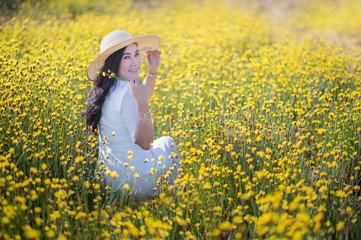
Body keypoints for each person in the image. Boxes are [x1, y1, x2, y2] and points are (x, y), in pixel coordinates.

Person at [83, 30, 180, 201]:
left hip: (109, 182)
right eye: (126, 57)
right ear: (113, 62)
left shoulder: (106, 87)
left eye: (136, 54)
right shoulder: (126, 93)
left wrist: (152, 70)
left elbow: (140, 98)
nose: (135, 62)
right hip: (136, 184)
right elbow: (146, 143)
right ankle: (174, 197)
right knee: (167, 143)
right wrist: (143, 105)